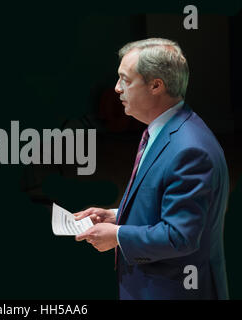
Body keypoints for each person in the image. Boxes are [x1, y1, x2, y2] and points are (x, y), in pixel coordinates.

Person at [74, 38, 229, 300]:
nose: (117, 89)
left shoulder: (190, 149)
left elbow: (181, 235)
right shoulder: (165, 129)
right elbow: (165, 202)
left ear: (156, 85)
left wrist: (119, 236)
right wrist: (117, 215)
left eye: (125, 80)